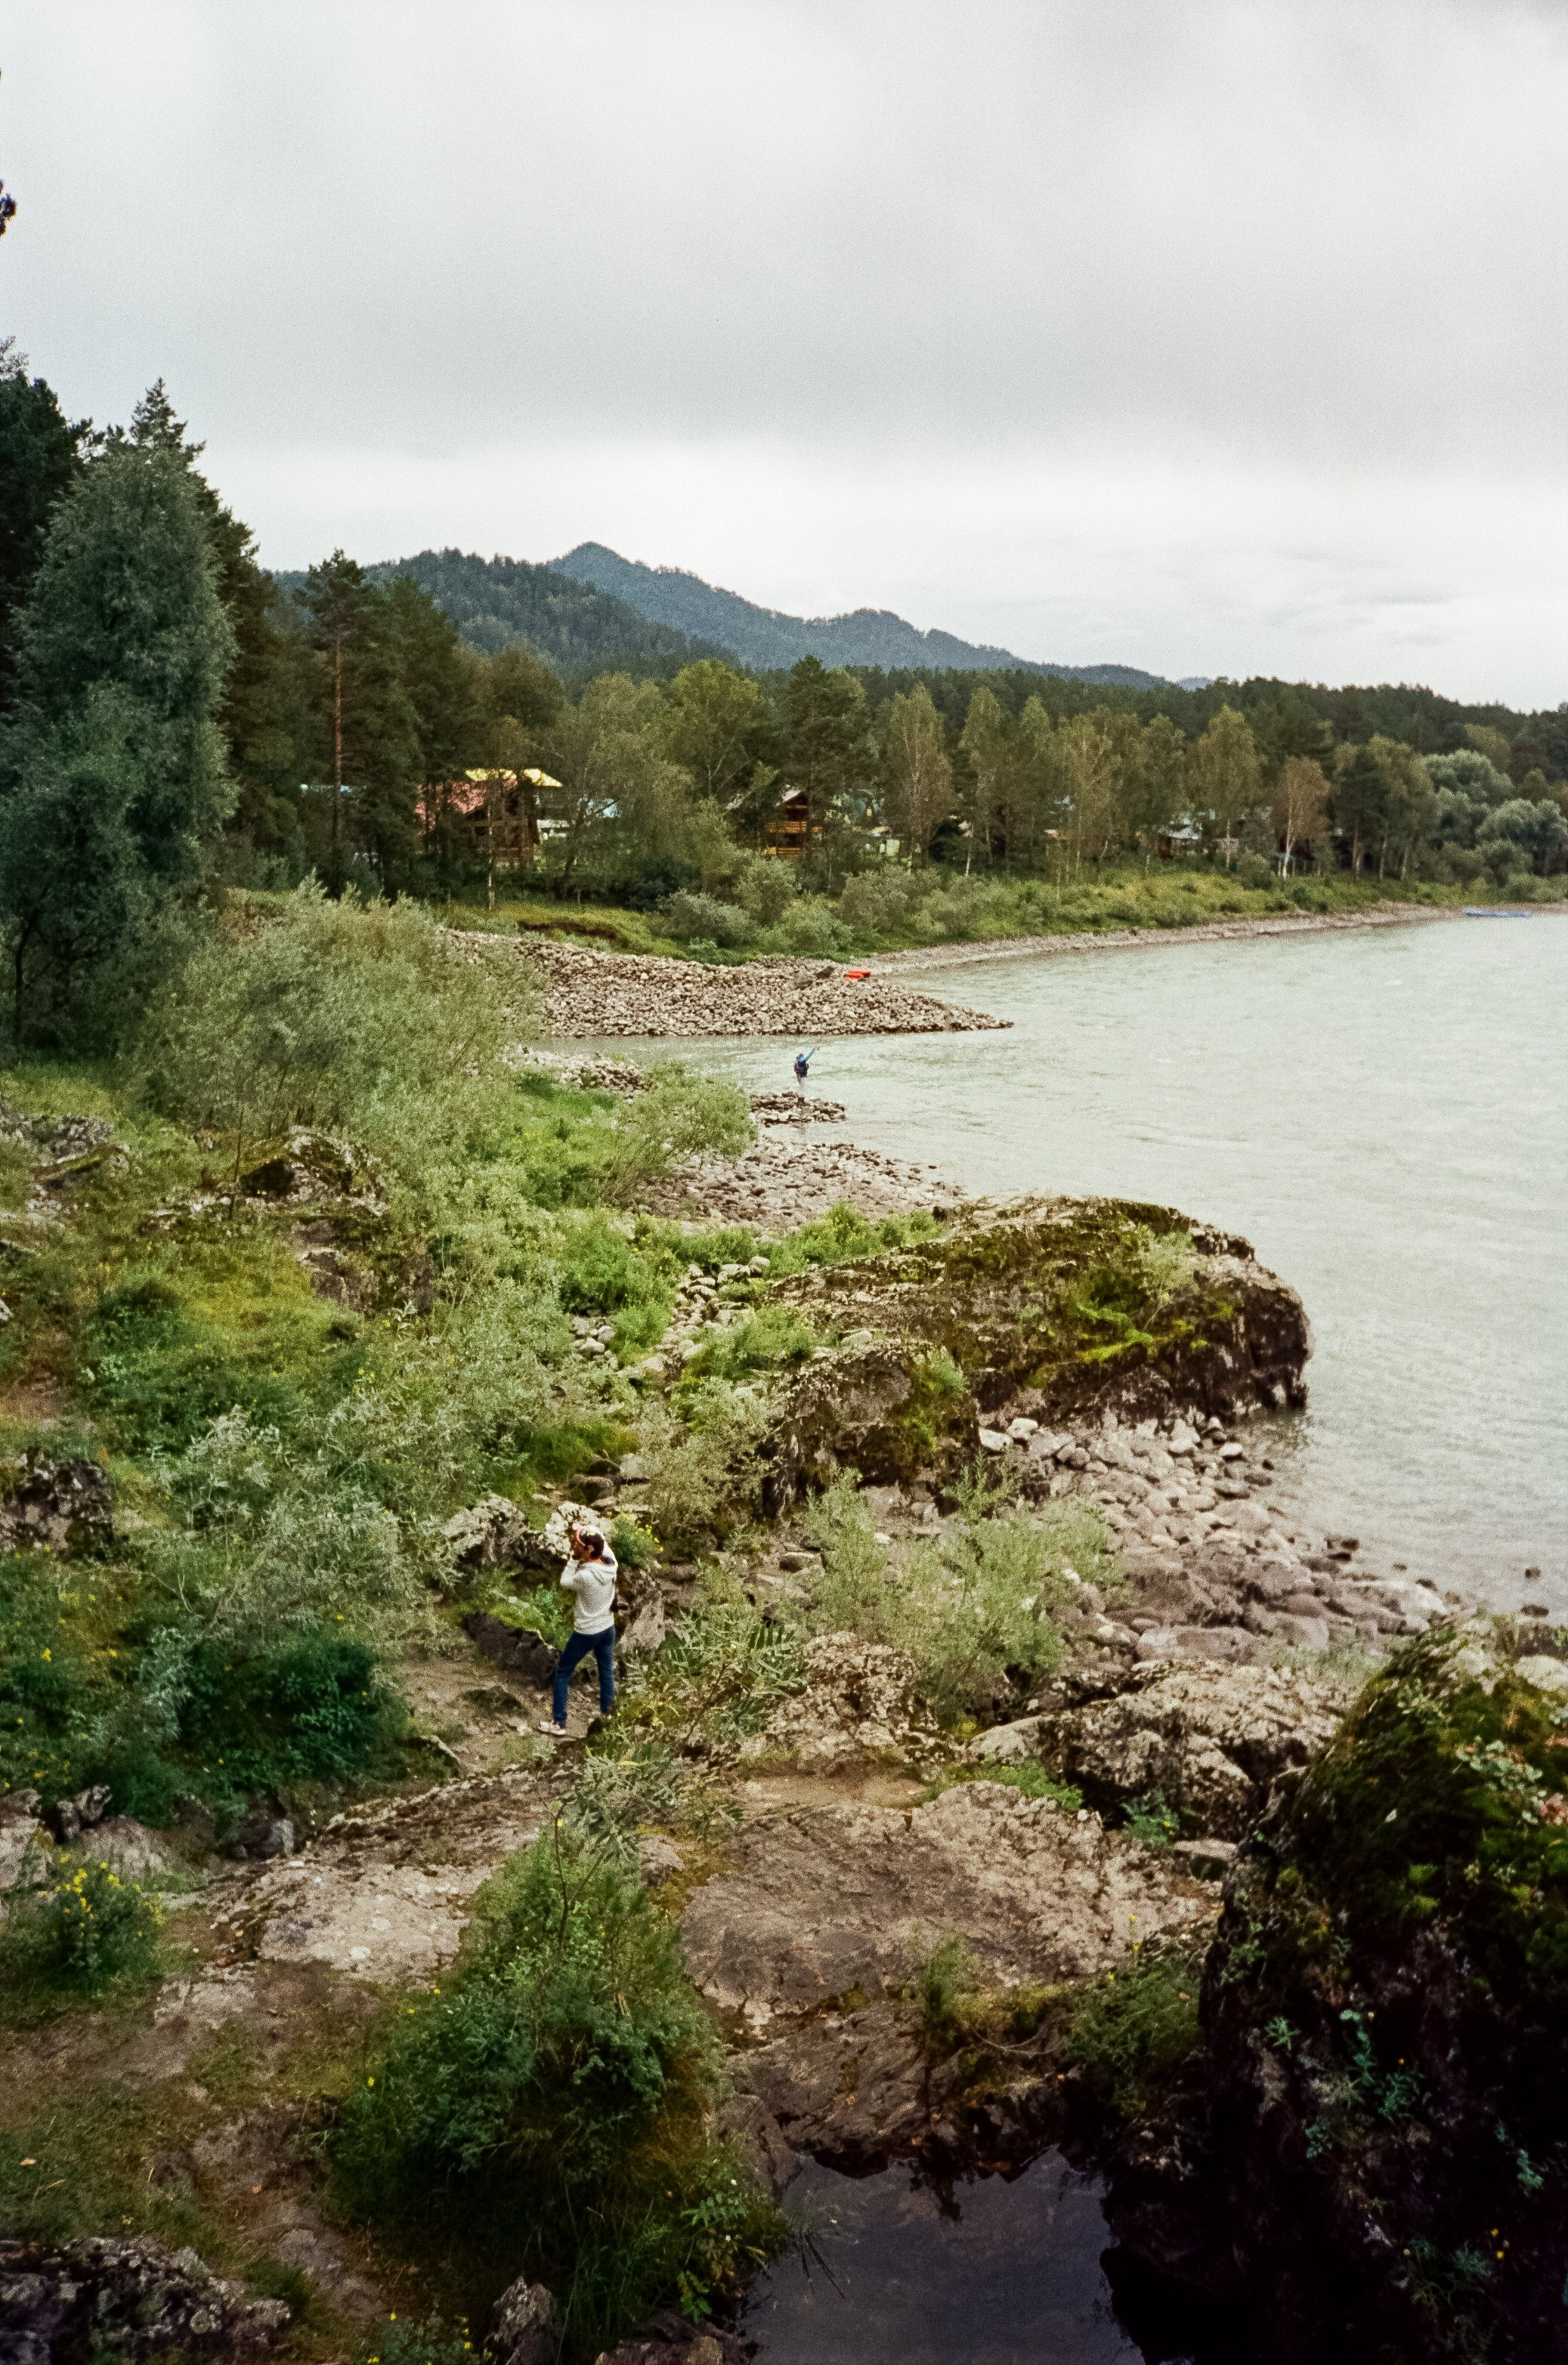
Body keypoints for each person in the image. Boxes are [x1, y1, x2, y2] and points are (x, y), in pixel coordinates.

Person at [538, 1524, 618, 1737]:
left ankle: (559, 1723)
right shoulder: (611, 1564)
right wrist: (588, 1532)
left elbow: (565, 1582)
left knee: (563, 1671)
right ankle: (608, 1721)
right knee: (606, 1673)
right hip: (608, 1628)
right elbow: (601, 1538)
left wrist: (574, 1559)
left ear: (589, 1551)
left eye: (579, 1545)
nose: (574, 1545)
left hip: (586, 1632)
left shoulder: (586, 1577)